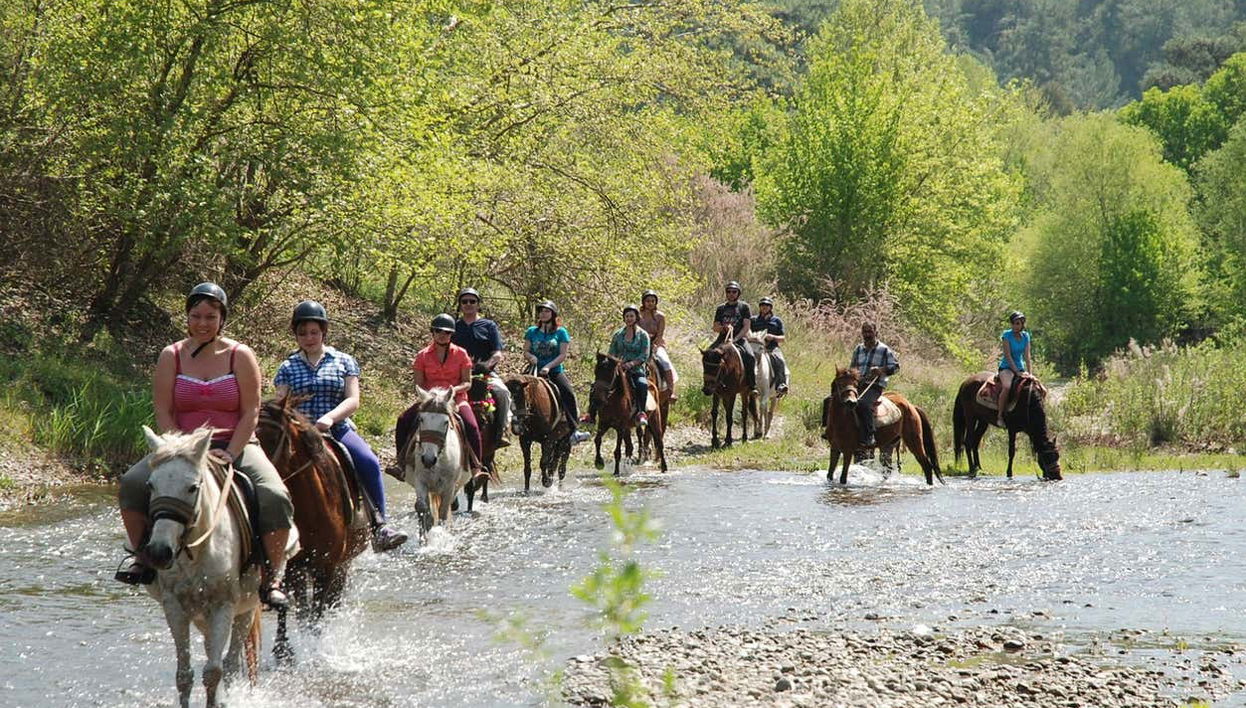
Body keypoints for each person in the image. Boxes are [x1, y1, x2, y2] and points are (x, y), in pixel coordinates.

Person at [116, 283, 295, 608]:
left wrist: (231, 451)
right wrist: (181, 450)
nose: (202, 323)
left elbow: (251, 410)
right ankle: (142, 555)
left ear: (222, 318)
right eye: (196, 315)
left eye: (210, 316)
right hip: (181, 447)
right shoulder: (172, 355)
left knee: (274, 494)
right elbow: (163, 409)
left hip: (235, 442)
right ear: (187, 317)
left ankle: (273, 576)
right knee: (131, 483)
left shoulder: (240, 355)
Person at [273, 301, 407, 553]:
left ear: (323, 332)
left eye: (313, 332)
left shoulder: (343, 361)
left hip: (337, 428)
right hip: (300, 433)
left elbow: (353, 399)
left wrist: (330, 419)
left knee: (367, 461)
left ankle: (380, 525)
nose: (308, 338)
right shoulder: (287, 368)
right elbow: (281, 404)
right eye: (302, 333)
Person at [395, 315, 486, 483]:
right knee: (403, 420)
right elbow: (419, 384)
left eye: (447, 332)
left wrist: (452, 391)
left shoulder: (461, 354)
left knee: (472, 426)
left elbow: (467, 382)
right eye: (438, 331)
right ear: (432, 332)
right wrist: (432, 396)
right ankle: (400, 463)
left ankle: (476, 467)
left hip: (455, 399)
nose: (442, 335)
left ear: (451, 335)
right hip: (430, 400)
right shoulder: (422, 356)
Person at [523, 301, 591, 444]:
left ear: (553, 314)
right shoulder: (531, 331)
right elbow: (526, 351)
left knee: (569, 393)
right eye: (541, 311)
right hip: (533, 370)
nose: (543, 314)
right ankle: (516, 425)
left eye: (547, 311)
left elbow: (562, 355)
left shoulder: (561, 332)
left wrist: (548, 366)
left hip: (553, 371)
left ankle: (574, 431)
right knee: (516, 389)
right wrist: (531, 357)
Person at [451, 287, 511, 448]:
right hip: (458, 375)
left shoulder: (489, 326)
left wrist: (486, 365)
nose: (468, 304)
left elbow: (498, 353)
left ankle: (502, 431)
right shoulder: (454, 327)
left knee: (503, 393)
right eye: (465, 301)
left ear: (478, 304)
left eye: (472, 301)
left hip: (485, 373)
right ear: (460, 305)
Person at [846, 322, 899, 448]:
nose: (867, 335)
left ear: (876, 333)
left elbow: (896, 367)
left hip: (874, 385)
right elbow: (852, 368)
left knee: (863, 403)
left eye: (870, 332)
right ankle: (831, 431)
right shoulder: (858, 349)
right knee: (832, 400)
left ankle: (869, 435)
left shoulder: (884, 349)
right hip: (858, 384)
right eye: (865, 332)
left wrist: (881, 370)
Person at [608, 304, 652, 426]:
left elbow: (644, 355)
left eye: (631, 316)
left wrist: (631, 364)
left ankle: (641, 412)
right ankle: (592, 414)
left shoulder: (643, 335)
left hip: (636, 369)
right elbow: (611, 352)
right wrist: (616, 363)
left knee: (642, 384)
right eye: (627, 316)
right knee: (600, 384)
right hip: (619, 369)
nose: (629, 318)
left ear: (636, 317)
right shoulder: (617, 335)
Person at [711, 280, 757, 393]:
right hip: (722, 339)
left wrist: (735, 339)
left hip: (739, 339)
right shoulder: (721, 308)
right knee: (709, 354)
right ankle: (710, 382)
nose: (731, 294)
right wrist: (723, 328)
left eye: (734, 292)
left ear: (738, 293)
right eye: (729, 291)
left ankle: (751, 385)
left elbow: (746, 326)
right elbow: (715, 326)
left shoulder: (744, 307)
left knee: (750, 356)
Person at [638, 290, 677, 400]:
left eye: (653, 301)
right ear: (643, 302)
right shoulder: (638, 316)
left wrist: (654, 345)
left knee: (664, 361)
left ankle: (670, 390)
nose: (650, 303)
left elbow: (660, 335)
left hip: (656, 344)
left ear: (656, 302)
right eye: (648, 301)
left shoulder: (660, 316)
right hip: (640, 344)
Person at [997, 311, 1033, 427]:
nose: (1016, 326)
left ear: (1022, 324)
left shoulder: (1026, 336)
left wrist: (1030, 373)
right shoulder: (1006, 335)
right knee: (1007, 386)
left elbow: (1027, 356)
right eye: (1014, 323)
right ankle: (1000, 415)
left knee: (1039, 388)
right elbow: (1007, 355)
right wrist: (1016, 372)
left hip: (1020, 367)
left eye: (1019, 323)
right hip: (1007, 367)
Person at [752, 297, 789, 395]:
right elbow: (748, 333)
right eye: (762, 305)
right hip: (756, 347)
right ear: (760, 307)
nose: (764, 307)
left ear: (770, 307)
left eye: (767, 305)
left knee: (779, 359)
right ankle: (749, 385)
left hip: (771, 348)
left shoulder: (777, 321)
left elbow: (783, 338)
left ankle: (781, 384)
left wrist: (772, 337)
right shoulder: (753, 320)